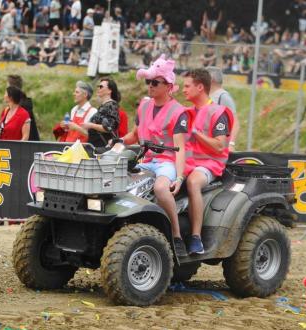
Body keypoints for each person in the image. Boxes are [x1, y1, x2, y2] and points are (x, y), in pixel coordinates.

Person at [121, 54, 192, 257]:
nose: (150, 86)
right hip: (146, 161)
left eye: (154, 82)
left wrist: (179, 178)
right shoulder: (144, 106)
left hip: (166, 162)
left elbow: (180, 148)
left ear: (168, 85)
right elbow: (134, 135)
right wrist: (118, 142)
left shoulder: (179, 112)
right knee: (119, 182)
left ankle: (176, 235)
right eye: (148, 82)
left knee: (161, 188)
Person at [183, 69, 234, 255]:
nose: (183, 90)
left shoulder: (219, 112)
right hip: (186, 161)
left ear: (200, 87)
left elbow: (220, 146)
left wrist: (197, 133)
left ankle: (196, 237)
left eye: (187, 86)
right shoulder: (186, 112)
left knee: (193, 182)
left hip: (209, 163)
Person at [67, 78, 119, 150]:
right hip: (95, 147)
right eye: (98, 86)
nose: (98, 88)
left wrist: (90, 125)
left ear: (109, 91)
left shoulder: (111, 105)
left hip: (102, 149)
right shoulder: (104, 105)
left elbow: (109, 127)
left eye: (101, 86)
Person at [207, 66, 239, 152]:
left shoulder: (223, 96)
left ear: (211, 79)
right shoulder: (209, 96)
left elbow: (235, 122)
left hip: (220, 146)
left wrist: (231, 144)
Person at [7, 74, 40, 141]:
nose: (5, 93)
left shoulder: (23, 111)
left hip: (21, 148)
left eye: (6, 89)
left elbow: (25, 137)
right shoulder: (7, 110)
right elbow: (0, 132)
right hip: (6, 146)